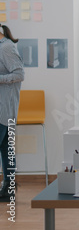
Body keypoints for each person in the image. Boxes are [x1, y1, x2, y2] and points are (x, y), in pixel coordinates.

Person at [0, 24, 24, 202]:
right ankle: (8, 189)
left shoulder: (6, 47)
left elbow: (19, 74)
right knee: (6, 148)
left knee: (6, 148)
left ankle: (8, 187)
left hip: (3, 107)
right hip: (5, 108)